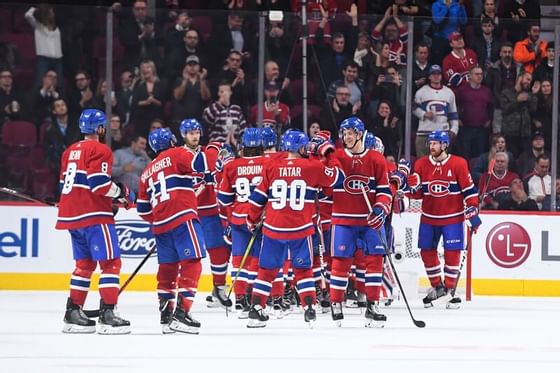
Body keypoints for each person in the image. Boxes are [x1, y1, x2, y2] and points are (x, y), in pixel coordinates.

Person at [245, 130, 344, 328]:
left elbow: (257, 199)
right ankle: (308, 308)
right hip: (301, 227)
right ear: (300, 147)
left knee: (266, 270)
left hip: (273, 227)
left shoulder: (272, 165)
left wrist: (251, 219)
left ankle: (256, 309)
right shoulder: (312, 166)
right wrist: (328, 152)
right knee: (303, 269)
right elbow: (338, 178)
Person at [56, 109, 133, 335]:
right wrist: (123, 193)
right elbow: (100, 185)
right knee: (110, 263)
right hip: (93, 216)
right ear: (100, 128)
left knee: (84, 265)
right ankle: (108, 314)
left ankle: (73, 313)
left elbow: (65, 185)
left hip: (72, 216)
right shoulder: (100, 149)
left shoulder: (69, 151)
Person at [136, 127, 210, 334]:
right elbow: (201, 165)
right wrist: (216, 152)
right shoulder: (178, 153)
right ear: (171, 141)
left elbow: (142, 209)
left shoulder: (146, 172)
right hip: (183, 217)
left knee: (167, 270)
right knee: (192, 262)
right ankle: (181, 313)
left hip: (161, 225)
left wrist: (160, 219)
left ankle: (166, 316)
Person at [328, 117, 392, 327]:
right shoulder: (337, 156)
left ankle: (372, 305)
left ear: (360, 134)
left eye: (350, 133)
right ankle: (336, 303)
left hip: (370, 222)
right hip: (344, 220)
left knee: (375, 261)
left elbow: (385, 191)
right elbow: (324, 175)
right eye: (344, 133)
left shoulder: (376, 159)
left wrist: (380, 209)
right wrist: (321, 151)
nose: (346, 137)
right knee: (341, 262)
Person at [408, 130, 481, 309]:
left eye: (435, 143)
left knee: (452, 253)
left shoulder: (459, 163)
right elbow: (417, 195)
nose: (431, 146)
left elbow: (469, 191)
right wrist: (412, 186)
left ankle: (450, 290)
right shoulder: (421, 163)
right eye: (430, 143)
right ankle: (437, 287)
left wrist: (472, 208)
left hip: (453, 218)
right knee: (426, 251)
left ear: (445, 145)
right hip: (428, 217)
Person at [179, 119, 232, 309]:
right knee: (188, 255)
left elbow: (226, 170)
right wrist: (215, 150)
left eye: (197, 132)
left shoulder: (207, 153)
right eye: (190, 132)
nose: (194, 135)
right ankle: (179, 293)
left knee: (218, 250)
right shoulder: (181, 156)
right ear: (183, 135)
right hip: (188, 214)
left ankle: (218, 288)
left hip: (210, 212)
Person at [218, 128, 268, 318]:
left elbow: (223, 199)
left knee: (238, 259)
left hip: (238, 218)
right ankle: (252, 297)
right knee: (257, 259)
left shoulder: (232, 166)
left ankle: (239, 299)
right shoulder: (268, 163)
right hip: (260, 218)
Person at [413, 65, 459, 157]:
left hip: (442, 133)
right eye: (433, 74)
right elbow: (413, 108)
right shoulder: (421, 92)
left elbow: (453, 114)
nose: (436, 76)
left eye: (438, 74)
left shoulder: (449, 93)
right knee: (423, 162)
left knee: (442, 163)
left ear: (441, 76)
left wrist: (454, 130)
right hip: (424, 133)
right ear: (429, 76)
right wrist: (424, 114)